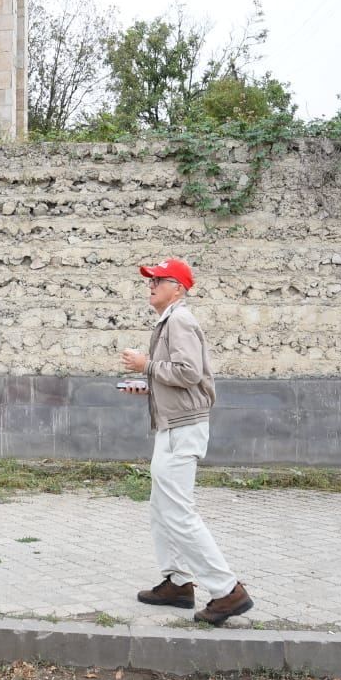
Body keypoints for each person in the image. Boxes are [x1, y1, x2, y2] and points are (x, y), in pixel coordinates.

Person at [119, 257, 253, 625]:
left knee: (178, 511)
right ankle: (177, 583)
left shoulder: (179, 320)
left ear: (177, 288)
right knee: (161, 508)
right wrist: (147, 386)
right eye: (150, 280)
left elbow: (190, 372)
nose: (151, 285)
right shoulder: (169, 320)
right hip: (171, 425)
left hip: (183, 428)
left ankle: (227, 591)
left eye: (159, 280)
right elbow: (177, 376)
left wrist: (145, 366)